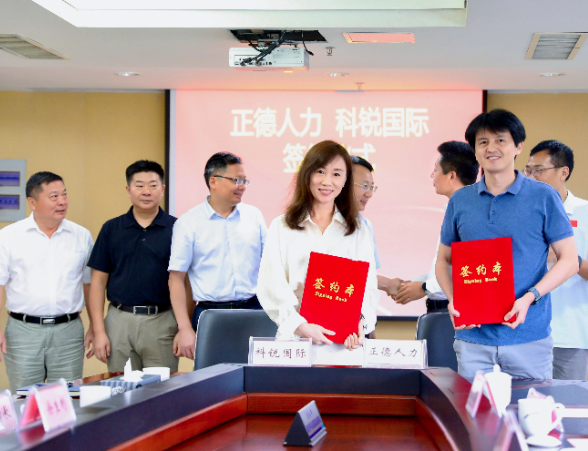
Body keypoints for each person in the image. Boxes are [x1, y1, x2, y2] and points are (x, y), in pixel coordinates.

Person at [435, 109, 579, 379]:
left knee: (531, 405)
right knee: (472, 406)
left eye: (500, 140)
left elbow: (569, 261)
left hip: (528, 336)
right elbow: (443, 260)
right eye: (483, 142)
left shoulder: (543, 196)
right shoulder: (460, 200)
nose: (491, 148)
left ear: (518, 146)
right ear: (475, 150)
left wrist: (530, 297)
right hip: (472, 338)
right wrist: (454, 299)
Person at [258, 140, 378, 349]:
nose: (327, 181)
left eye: (337, 174)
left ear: (346, 180)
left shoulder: (358, 230)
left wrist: (360, 323)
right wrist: (299, 326)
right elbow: (271, 285)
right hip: (295, 342)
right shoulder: (282, 226)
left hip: (343, 343)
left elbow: (368, 287)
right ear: (307, 174)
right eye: (320, 171)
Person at [0, 172, 94, 390]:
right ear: (32, 202)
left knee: (67, 398)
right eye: (54, 196)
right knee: (25, 398)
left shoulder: (81, 236)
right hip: (23, 332)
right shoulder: (9, 235)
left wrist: (95, 327)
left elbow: (90, 284)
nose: (62, 201)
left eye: (64, 194)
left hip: (68, 332)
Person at [525, 140, 588, 380]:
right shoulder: (519, 212)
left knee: (571, 402)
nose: (531, 177)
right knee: (524, 400)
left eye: (538, 170)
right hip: (524, 333)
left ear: (563, 172)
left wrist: (570, 259)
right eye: (528, 170)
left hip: (571, 335)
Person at [168, 152, 267, 360]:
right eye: (237, 180)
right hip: (210, 314)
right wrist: (184, 328)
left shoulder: (254, 216)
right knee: (212, 376)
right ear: (213, 181)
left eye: (245, 181)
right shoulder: (188, 223)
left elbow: (270, 265)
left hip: (253, 309)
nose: (242, 186)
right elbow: (176, 279)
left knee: (257, 373)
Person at [86, 160, 179, 372]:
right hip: (119, 322)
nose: (146, 191)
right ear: (128, 190)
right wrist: (99, 331)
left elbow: (185, 283)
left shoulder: (177, 228)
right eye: (139, 185)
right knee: (121, 387)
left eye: (153, 185)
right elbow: (98, 282)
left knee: (163, 388)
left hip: (162, 321)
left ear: (162, 189)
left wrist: (182, 327)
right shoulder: (111, 229)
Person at [394, 141, 479, 313]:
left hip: (454, 312)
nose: (432, 175)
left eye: (436, 170)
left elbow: (469, 274)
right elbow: (444, 269)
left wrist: (424, 288)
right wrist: (410, 285)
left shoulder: (470, 215)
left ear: (451, 176)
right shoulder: (454, 210)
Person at [350, 156, 402, 298]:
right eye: (364, 186)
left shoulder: (366, 226)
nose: (369, 194)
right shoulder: (323, 224)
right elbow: (338, 273)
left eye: (371, 187)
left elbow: (367, 272)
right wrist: (388, 285)